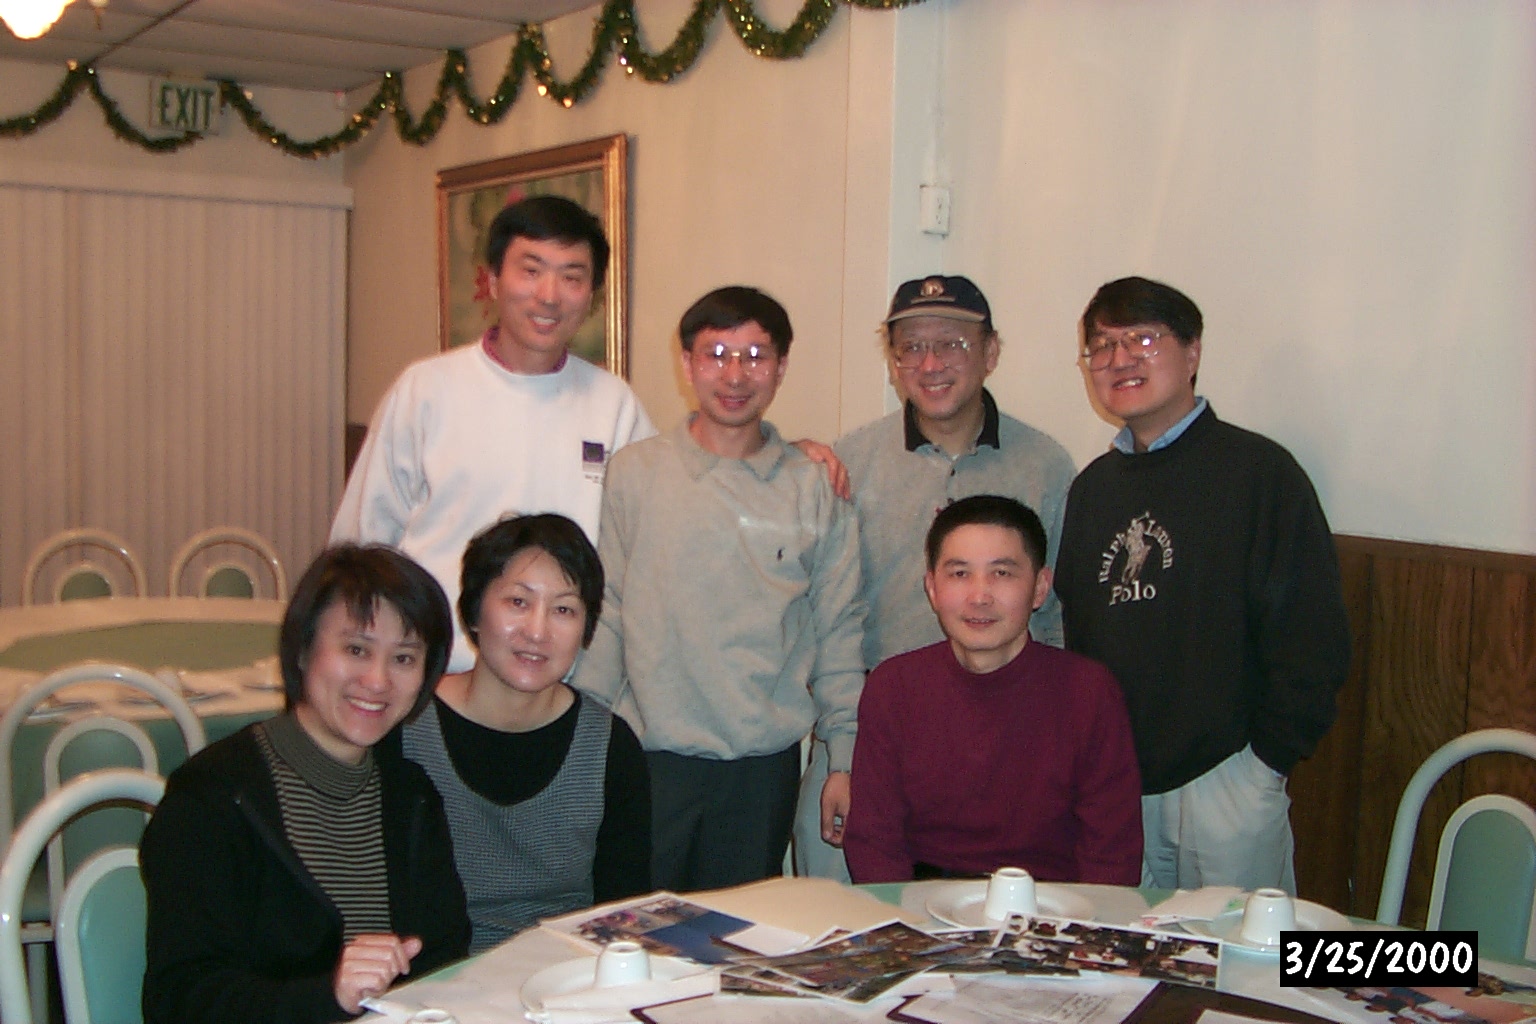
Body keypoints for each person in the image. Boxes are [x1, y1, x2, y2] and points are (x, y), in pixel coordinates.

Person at [1054, 275, 1350, 894]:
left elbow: (1312, 632)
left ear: (1192, 353)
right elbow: (1079, 632)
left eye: (1143, 339)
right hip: (1117, 780)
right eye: (1102, 346)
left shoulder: (1259, 473)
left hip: (1227, 777)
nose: (1120, 359)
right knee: (1122, 944)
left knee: (1236, 949)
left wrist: (1266, 762)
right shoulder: (1092, 489)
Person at [573, 285, 864, 892]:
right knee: (635, 927)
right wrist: (582, 743)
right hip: (648, 757)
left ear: (781, 367)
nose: (735, 375)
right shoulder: (635, 473)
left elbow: (839, 627)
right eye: (716, 354)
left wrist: (844, 755)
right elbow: (609, 614)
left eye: (756, 355)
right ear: (687, 363)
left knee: (738, 933)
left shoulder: (813, 485)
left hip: (760, 768)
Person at [795, 275, 1076, 880]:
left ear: (991, 352)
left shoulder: (1045, 466)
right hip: (867, 729)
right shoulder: (852, 462)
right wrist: (843, 753)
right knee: (838, 910)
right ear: (892, 361)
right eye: (912, 347)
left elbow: (1054, 622)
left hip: (1001, 738)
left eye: (951, 344)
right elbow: (830, 618)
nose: (930, 364)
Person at [140, 545, 469, 1024]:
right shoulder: (214, 796)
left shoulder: (410, 793)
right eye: (356, 650)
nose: (377, 681)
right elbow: (180, 999)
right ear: (301, 650)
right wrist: (327, 995)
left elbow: (444, 956)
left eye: (403, 658)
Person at [331, 195, 655, 673]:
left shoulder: (615, 406)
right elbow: (363, 544)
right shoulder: (426, 390)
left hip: (563, 682)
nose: (549, 295)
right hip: (436, 672)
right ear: (492, 280)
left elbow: (651, 546)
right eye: (531, 270)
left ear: (592, 295)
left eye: (571, 277)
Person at [843, 495, 1142, 884]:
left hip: (1052, 904)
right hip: (922, 902)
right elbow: (874, 844)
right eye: (959, 573)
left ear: (1040, 587)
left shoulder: (1088, 692)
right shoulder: (893, 687)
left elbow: (1112, 855)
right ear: (931, 588)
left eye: (1002, 573)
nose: (980, 596)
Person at [396, 513, 650, 953]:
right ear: (474, 611)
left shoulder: (610, 746)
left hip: (565, 974)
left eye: (563, 610)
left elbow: (623, 917)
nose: (537, 631)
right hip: (429, 974)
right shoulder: (405, 728)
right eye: (518, 601)